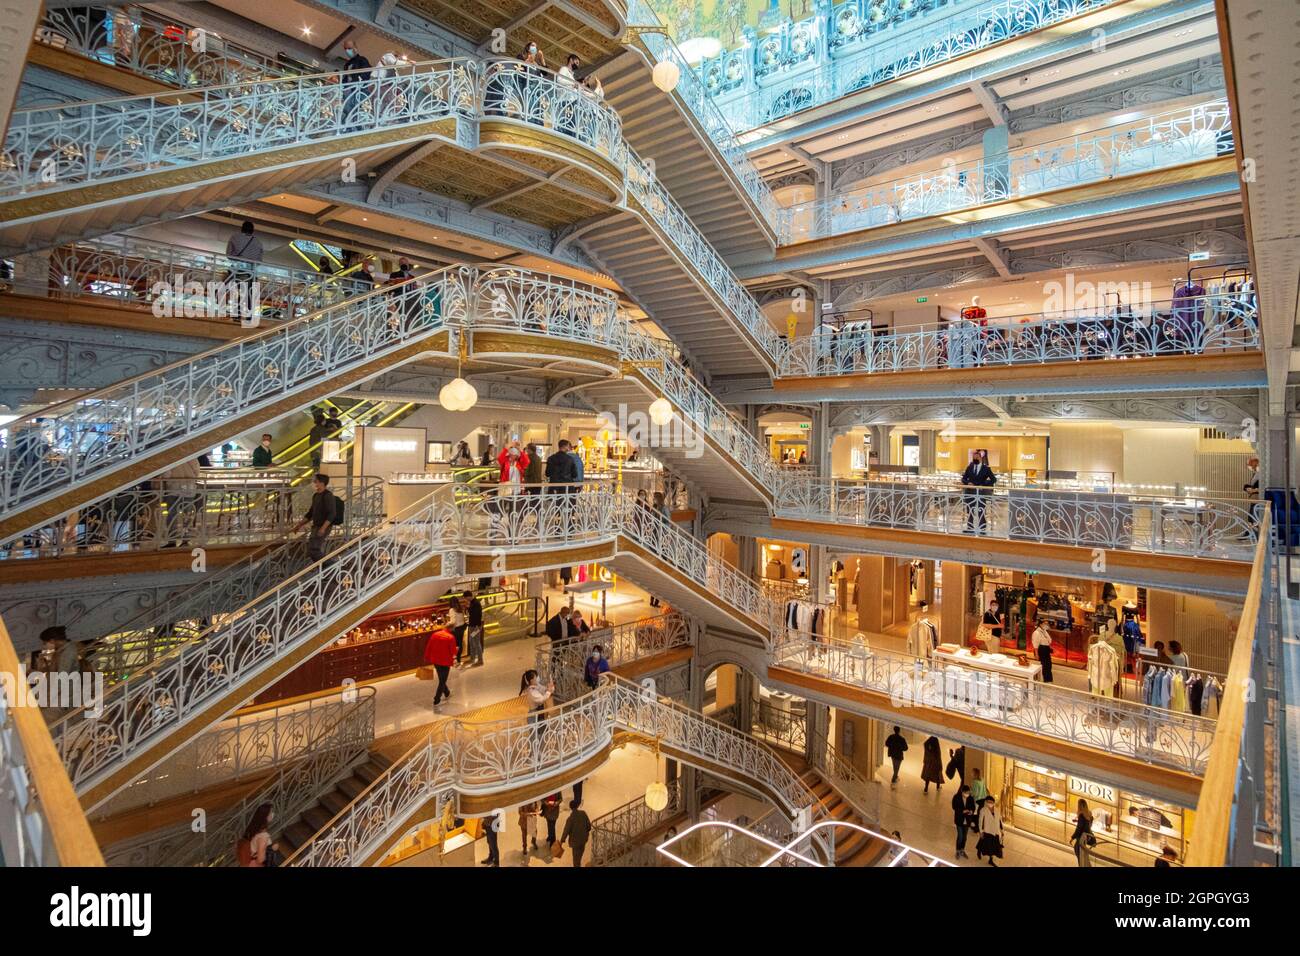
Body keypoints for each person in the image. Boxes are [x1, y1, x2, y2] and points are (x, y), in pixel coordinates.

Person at [225, 221, 263, 321]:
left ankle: (236, 314)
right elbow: (259, 261)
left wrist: (239, 258)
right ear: (253, 230)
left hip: (238, 270)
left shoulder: (235, 237)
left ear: (242, 228)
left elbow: (229, 255)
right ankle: (249, 316)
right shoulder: (258, 242)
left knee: (239, 292)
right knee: (249, 294)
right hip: (252, 272)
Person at [295, 473, 336, 562]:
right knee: (311, 549)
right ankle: (324, 567)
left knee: (314, 549)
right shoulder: (316, 495)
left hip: (323, 526)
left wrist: (323, 528)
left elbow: (332, 514)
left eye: (316, 481)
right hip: (316, 526)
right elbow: (310, 513)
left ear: (322, 483)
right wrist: (299, 525)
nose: (314, 483)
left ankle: (330, 565)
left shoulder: (328, 496)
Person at [961, 449, 996, 534]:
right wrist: (968, 483)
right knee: (970, 510)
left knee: (981, 510)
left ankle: (982, 529)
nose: (975, 459)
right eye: (974, 457)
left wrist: (983, 484)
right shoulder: (969, 467)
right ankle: (970, 528)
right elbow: (963, 478)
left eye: (976, 457)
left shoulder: (986, 468)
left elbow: (993, 479)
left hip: (981, 492)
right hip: (970, 492)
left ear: (980, 458)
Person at [339, 39, 373, 129]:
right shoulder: (347, 64)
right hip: (348, 90)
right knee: (347, 109)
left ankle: (355, 127)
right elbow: (345, 78)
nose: (347, 51)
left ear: (355, 48)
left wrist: (359, 83)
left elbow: (366, 73)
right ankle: (348, 126)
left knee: (355, 109)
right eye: (345, 49)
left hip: (358, 90)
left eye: (349, 48)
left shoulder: (362, 60)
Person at [423, 625, 457, 707]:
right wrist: (455, 656)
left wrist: (426, 656)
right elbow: (453, 651)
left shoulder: (435, 634)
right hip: (445, 661)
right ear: (451, 629)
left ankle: (447, 692)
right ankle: (436, 699)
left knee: (441, 678)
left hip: (435, 660)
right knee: (442, 681)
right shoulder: (451, 637)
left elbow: (429, 646)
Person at [237, 803, 279, 867]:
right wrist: (272, 849)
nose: (272, 814)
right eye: (271, 813)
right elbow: (260, 859)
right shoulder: (263, 836)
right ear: (265, 816)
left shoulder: (253, 829)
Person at [560, 798, 591, 867]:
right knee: (580, 855)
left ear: (570, 808)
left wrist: (562, 840)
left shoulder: (570, 819)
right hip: (583, 840)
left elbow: (566, 831)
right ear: (577, 806)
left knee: (576, 860)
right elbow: (589, 826)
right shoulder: (583, 813)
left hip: (575, 842)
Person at [976, 796, 1004, 866]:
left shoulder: (997, 810)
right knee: (984, 843)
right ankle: (979, 851)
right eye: (988, 802)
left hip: (995, 831)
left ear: (994, 803)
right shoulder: (983, 810)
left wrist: (1002, 830)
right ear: (986, 802)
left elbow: (1000, 821)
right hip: (987, 830)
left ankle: (990, 860)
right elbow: (980, 821)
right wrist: (981, 831)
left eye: (991, 802)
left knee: (993, 847)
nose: (990, 804)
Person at [952, 783, 976, 859]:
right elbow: (954, 807)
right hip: (959, 820)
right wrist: (962, 811)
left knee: (965, 837)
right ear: (962, 792)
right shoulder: (956, 797)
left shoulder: (971, 798)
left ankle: (962, 849)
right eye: (966, 793)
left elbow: (973, 807)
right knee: (960, 836)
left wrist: (971, 811)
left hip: (967, 820)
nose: (967, 794)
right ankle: (958, 850)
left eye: (968, 793)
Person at [1070, 798, 1095, 867]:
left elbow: (1079, 828)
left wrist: (1072, 837)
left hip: (1081, 837)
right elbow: (1087, 826)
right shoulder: (1089, 814)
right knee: (1083, 854)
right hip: (1086, 837)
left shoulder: (1081, 815)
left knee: (1079, 852)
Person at [466, 594, 484, 667]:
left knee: (476, 642)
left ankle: (480, 660)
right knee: (472, 641)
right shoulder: (473, 602)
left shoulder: (476, 603)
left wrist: (468, 607)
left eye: (466, 598)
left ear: (468, 596)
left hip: (475, 627)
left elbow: (476, 615)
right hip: (473, 626)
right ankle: (472, 658)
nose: (466, 600)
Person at [448, 597, 467, 666]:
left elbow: (453, 621)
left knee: (455, 645)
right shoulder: (460, 608)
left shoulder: (452, 610)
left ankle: (455, 660)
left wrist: (446, 624)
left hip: (456, 629)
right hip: (462, 628)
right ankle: (458, 660)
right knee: (459, 644)